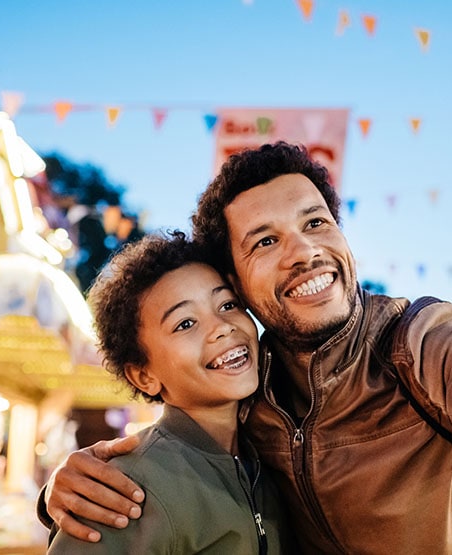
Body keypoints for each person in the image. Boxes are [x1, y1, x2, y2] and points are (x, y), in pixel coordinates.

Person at [41, 55, 452, 553]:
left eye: (316, 222)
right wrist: (64, 490)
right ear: (239, 283)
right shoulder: (249, 400)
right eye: (266, 241)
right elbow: (170, 460)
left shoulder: (420, 341)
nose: (305, 251)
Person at [47, 231, 288, 553]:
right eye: (185, 323)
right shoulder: (122, 489)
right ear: (144, 376)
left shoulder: (268, 454)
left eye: (228, 304)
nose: (221, 326)